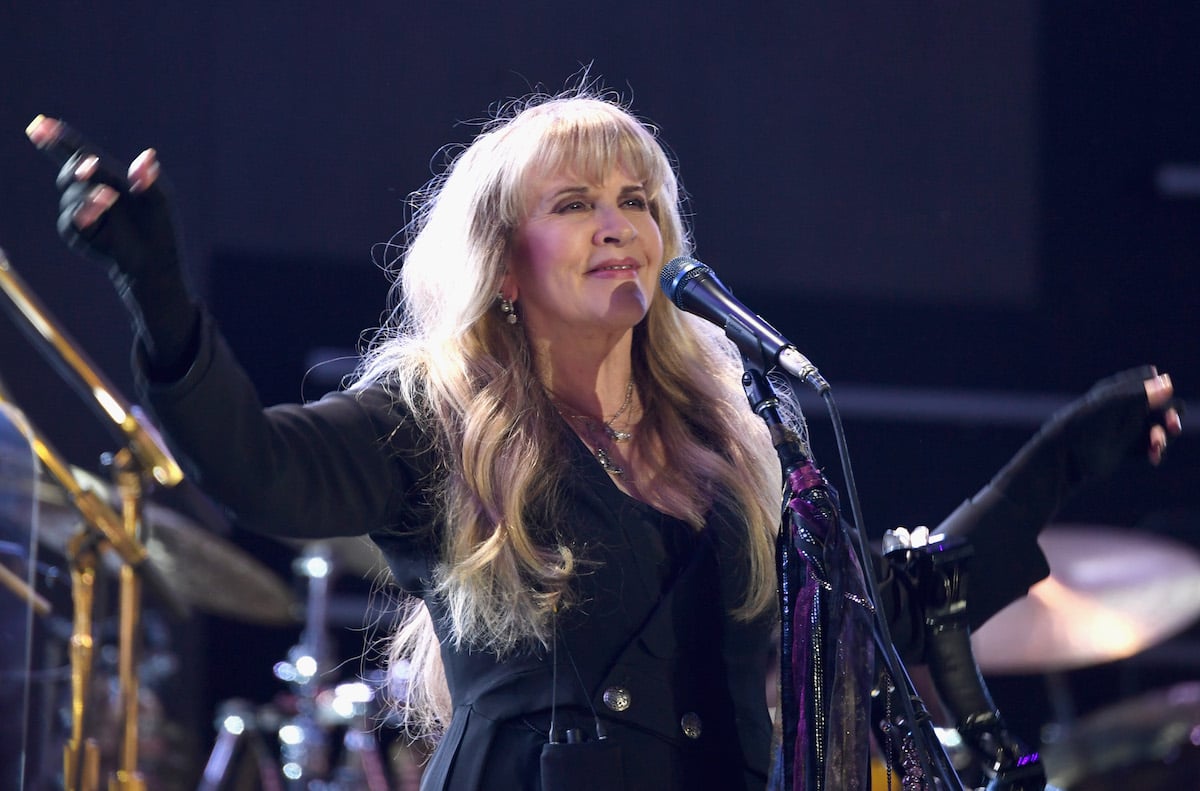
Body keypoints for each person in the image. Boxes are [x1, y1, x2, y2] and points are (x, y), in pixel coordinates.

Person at [25, 89, 1181, 790]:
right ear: (504, 262)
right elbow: (256, 467)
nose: (618, 223)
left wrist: (1065, 458)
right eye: (574, 203)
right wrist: (161, 299)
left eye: (637, 199)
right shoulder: (439, 420)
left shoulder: (730, 443)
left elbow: (868, 625)